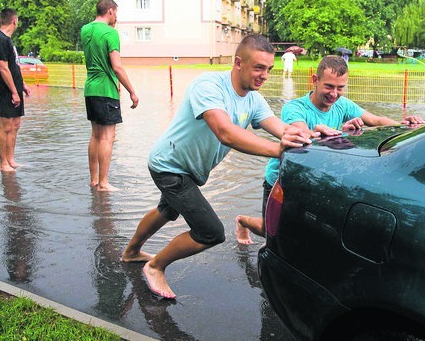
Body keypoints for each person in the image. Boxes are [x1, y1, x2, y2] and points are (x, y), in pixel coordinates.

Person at [121, 34, 314, 299]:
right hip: (169, 165)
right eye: (258, 68)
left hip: (189, 169)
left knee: (167, 210)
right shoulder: (209, 85)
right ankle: (155, 267)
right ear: (238, 63)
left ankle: (131, 252)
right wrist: (278, 151)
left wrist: (306, 137)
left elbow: (281, 128)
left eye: (269, 69)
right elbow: (225, 132)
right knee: (210, 232)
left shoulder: (254, 100)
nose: (265, 75)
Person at [235, 55, 424, 244]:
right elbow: (301, 133)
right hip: (282, 179)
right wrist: (329, 132)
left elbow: (375, 120)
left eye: (340, 88)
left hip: (316, 178)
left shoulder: (342, 104)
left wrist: (403, 125)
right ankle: (243, 221)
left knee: (307, 229)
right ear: (315, 81)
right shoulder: (294, 108)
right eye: (329, 86)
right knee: (271, 231)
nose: (334, 94)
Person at [82, 0, 139, 192]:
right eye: (116, 13)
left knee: (95, 135)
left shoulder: (85, 30)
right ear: (111, 11)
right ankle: (104, 183)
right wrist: (132, 91)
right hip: (106, 90)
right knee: (107, 137)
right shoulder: (111, 33)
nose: (117, 17)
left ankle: (94, 179)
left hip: (90, 88)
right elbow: (117, 67)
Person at [0, 8, 31, 172]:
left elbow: (13, 66)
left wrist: (22, 85)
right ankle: (3, 163)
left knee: (15, 125)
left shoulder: (8, 40)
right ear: (14, 21)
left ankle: (11, 160)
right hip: (5, 90)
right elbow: (3, 68)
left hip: (15, 87)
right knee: (6, 126)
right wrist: (14, 92)